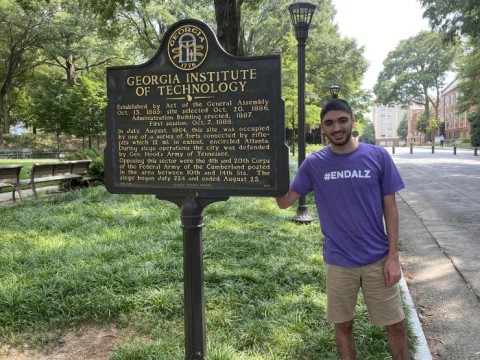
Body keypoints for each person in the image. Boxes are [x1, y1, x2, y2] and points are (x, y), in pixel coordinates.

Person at [276, 99, 409, 360]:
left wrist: (393, 256)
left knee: (396, 324)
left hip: (378, 258)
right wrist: (269, 169)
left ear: (352, 120)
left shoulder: (377, 156)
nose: (336, 127)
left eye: (342, 120)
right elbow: (284, 201)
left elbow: (391, 209)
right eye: (329, 123)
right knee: (343, 324)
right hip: (339, 261)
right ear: (322, 128)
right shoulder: (314, 163)